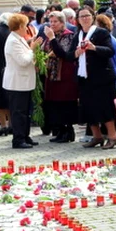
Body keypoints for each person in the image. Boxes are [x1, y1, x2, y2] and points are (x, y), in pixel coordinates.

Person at [63, 6, 116, 149]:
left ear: (93, 17)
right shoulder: (78, 35)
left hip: (102, 78)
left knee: (105, 108)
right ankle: (97, 136)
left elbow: (110, 51)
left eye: (87, 16)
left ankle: (113, 136)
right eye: (81, 17)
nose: (85, 19)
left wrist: (94, 48)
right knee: (88, 108)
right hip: (85, 77)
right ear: (78, 20)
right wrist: (77, 53)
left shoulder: (101, 33)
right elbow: (69, 56)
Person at [3, 13, 43, 149]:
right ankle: (18, 139)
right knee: (18, 112)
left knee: (26, 111)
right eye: (25, 26)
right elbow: (23, 61)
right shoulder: (13, 41)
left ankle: (25, 136)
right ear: (20, 26)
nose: (27, 28)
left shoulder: (18, 39)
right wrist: (33, 48)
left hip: (24, 82)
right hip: (17, 83)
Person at [43, 11, 78, 143]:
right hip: (52, 73)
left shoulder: (67, 35)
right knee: (54, 102)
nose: (52, 24)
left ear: (62, 23)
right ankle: (60, 130)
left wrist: (52, 39)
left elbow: (62, 53)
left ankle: (68, 130)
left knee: (64, 102)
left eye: (55, 22)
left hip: (64, 74)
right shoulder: (51, 35)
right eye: (50, 22)